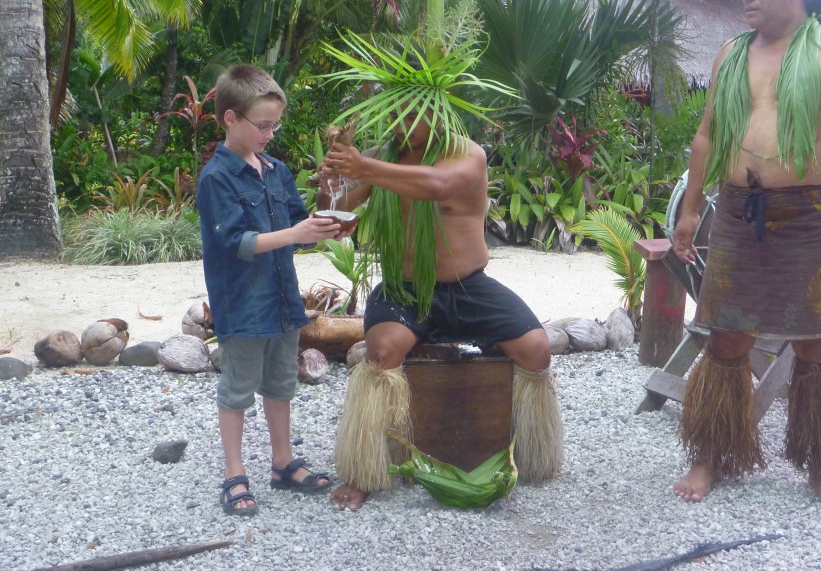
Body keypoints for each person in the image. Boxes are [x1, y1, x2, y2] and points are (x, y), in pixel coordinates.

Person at [670, 0, 821, 512]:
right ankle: (713, 453)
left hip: (811, 219)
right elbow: (708, 135)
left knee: (819, 347)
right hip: (741, 213)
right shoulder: (732, 54)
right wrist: (690, 209)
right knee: (725, 338)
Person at [318, 104, 563, 511]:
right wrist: (334, 183)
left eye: (411, 115)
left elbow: (436, 185)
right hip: (406, 288)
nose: (400, 124)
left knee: (536, 349)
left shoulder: (469, 154)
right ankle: (367, 469)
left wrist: (366, 166)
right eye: (394, 116)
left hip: (468, 287)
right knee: (382, 352)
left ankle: (526, 452)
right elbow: (332, 208)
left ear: (438, 112)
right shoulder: (384, 156)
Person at [197, 64, 341, 516]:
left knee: (281, 382)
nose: (269, 134)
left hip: (282, 298)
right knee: (237, 387)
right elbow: (237, 243)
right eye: (262, 125)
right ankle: (234, 474)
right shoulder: (216, 178)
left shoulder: (276, 171)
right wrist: (296, 234)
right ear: (230, 119)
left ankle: (283, 463)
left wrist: (325, 228)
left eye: (274, 125)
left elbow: (299, 223)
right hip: (241, 302)